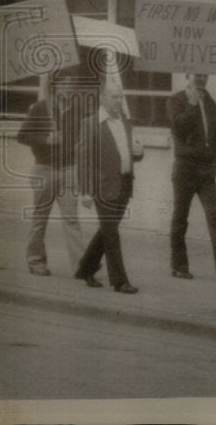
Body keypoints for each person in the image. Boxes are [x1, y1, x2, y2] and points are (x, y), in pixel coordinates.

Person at [74, 81, 143, 294]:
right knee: (111, 233)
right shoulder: (91, 123)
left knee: (107, 230)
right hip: (102, 187)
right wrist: (85, 191)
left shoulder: (125, 121)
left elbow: (130, 153)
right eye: (114, 97)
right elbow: (84, 160)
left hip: (124, 184)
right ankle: (120, 281)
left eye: (120, 97)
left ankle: (86, 268)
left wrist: (138, 153)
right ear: (102, 98)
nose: (118, 101)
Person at [167, 73, 216, 281]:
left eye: (204, 75)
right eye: (197, 75)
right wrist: (192, 104)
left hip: (206, 170)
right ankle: (179, 266)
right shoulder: (176, 100)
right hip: (185, 167)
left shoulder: (211, 102)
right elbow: (178, 127)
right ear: (188, 75)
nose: (201, 79)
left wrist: (215, 163)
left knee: (213, 216)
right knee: (180, 217)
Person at [17, 75, 86, 276]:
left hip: (69, 170)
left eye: (71, 84)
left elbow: (82, 139)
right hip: (44, 169)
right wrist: (47, 139)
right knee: (40, 218)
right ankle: (36, 261)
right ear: (55, 86)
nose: (68, 87)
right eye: (64, 83)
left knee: (72, 219)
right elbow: (22, 136)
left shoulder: (76, 110)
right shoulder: (40, 108)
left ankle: (80, 265)